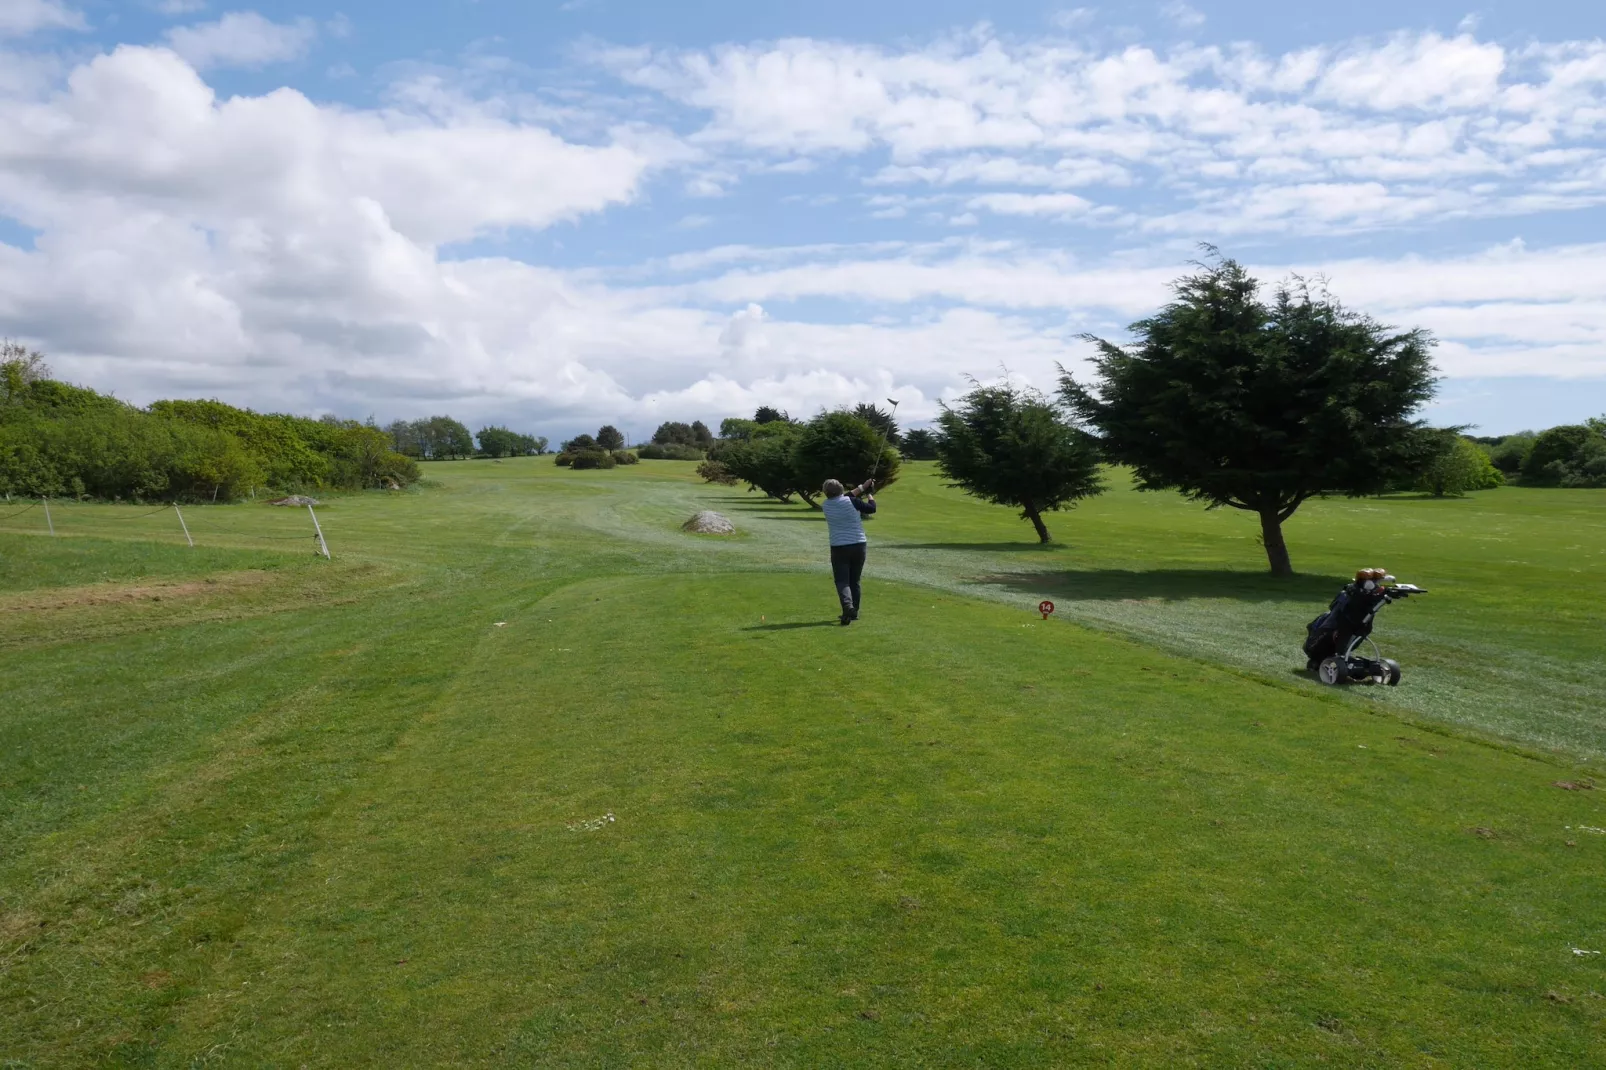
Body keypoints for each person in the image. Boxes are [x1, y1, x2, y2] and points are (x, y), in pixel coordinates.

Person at [821, 478, 876, 625]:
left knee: (842, 580)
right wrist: (870, 494)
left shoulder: (826, 505)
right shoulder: (852, 501)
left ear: (826, 493)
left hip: (839, 547)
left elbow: (848, 495)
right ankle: (852, 612)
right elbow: (871, 508)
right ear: (841, 489)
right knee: (854, 580)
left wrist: (863, 486)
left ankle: (848, 607)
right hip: (859, 545)